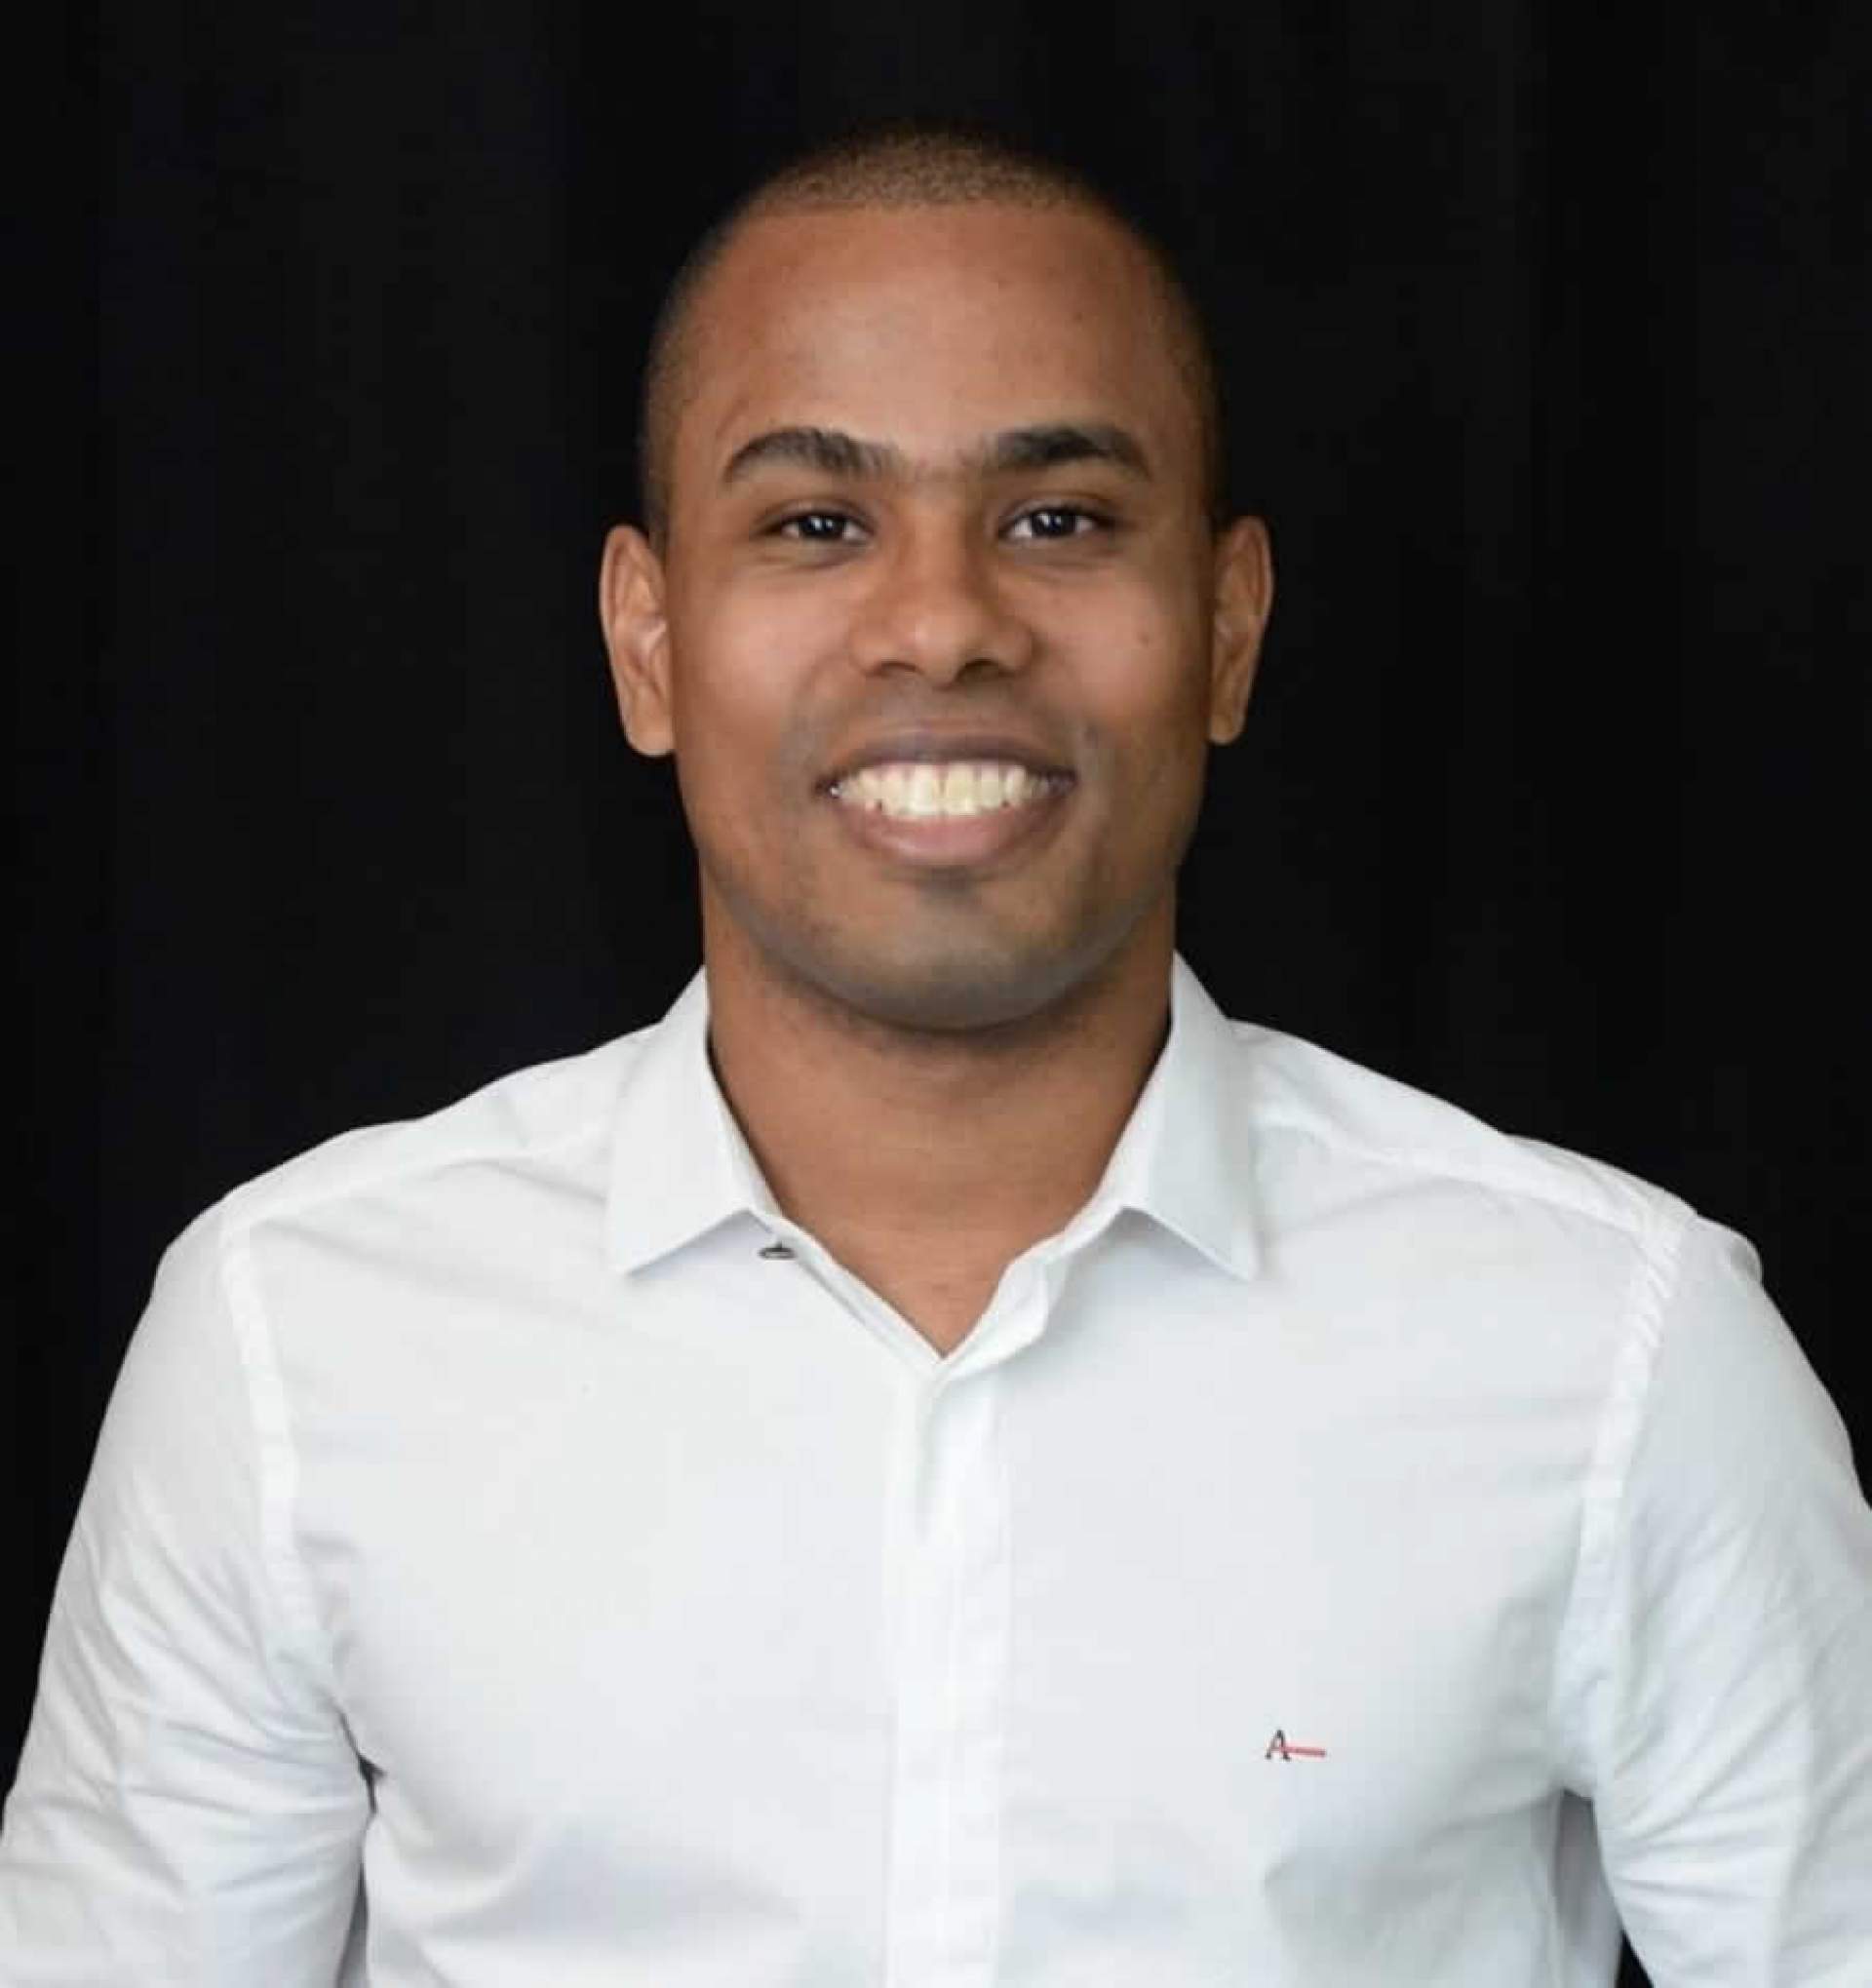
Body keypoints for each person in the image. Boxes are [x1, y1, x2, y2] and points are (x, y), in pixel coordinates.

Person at [3, 121, 1868, 1986]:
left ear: (1229, 628)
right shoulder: (295, 1339)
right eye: (817, 524)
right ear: (647, 643)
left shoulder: (1619, 1354)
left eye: (1058, 520)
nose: (943, 626)